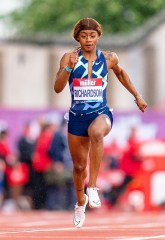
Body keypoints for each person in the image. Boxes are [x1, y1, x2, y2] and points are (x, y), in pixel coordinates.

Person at [54, 17, 147, 228]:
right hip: (77, 117)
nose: (88, 40)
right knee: (78, 167)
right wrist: (68, 68)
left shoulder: (108, 58)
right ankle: (80, 203)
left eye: (92, 36)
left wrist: (137, 96)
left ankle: (93, 187)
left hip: (101, 113)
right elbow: (58, 88)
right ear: (77, 37)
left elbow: (121, 74)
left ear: (98, 36)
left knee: (97, 133)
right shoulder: (69, 57)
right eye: (84, 36)